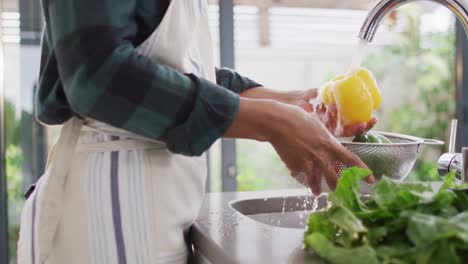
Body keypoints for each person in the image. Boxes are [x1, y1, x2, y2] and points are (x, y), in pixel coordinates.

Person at [18, 0, 375, 263]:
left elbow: (173, 65)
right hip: (106, 218)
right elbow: (96, 76)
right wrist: (271, 123)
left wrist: (290, 103)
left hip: (157, 215)